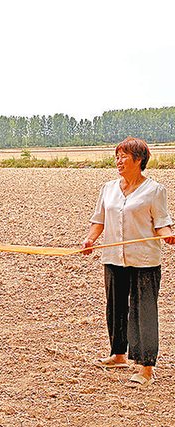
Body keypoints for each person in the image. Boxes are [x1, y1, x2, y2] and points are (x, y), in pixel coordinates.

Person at [82, 137, 175, 388]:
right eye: (117, 156)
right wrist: (90, 240)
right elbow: (98, 220)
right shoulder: (108, 188)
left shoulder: (155, 190)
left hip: (144, 260)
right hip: (114, 258)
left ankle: (145, 367)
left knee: (144, 312)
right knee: (115, 307)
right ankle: (118, 355)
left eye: (124, 156)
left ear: (139, 160)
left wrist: (168, 236)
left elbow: (162, 223)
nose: (118, 161)